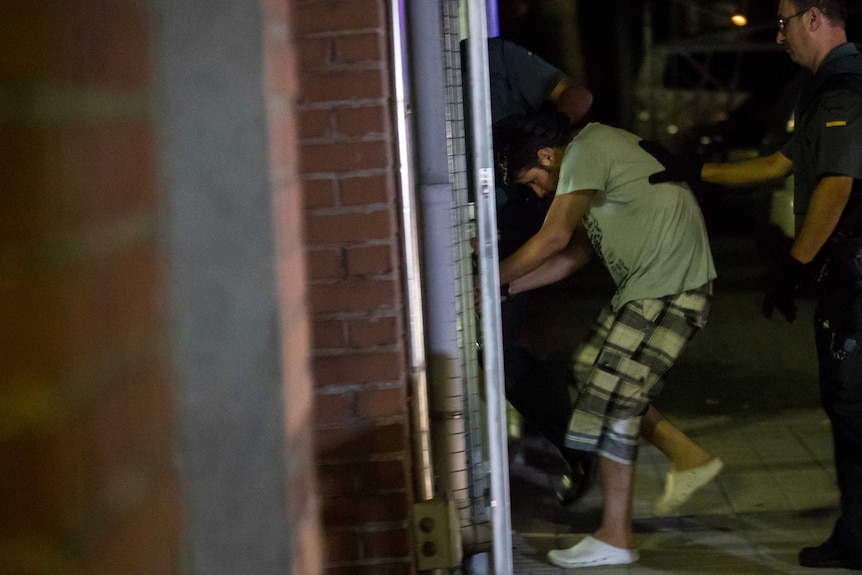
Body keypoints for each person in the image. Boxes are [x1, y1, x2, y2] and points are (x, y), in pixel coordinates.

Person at [645, 0, 862, 569]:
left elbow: (837, 185)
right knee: (846, 407)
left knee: (854, 407)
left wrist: (795, 265)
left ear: (816, 17)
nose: (779, 35)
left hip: (857, 282)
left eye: (785, 21)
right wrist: (696, 173)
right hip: (845, 279)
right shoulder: (820, 87)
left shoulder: (845, 85)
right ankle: (856, 535)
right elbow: (777, 164)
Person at [495, 114, 719, 567]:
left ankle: (616, 536)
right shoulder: (594, 158)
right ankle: (686, 455)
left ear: (547, 155)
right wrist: (505, 289)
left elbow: (553, 238)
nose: (538, 193)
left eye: (535, 181)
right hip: (653, 290)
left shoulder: (586, 151)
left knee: (613, 401)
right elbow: (575, 255)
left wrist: (486, 279)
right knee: (591, 374)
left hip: (668, 289)